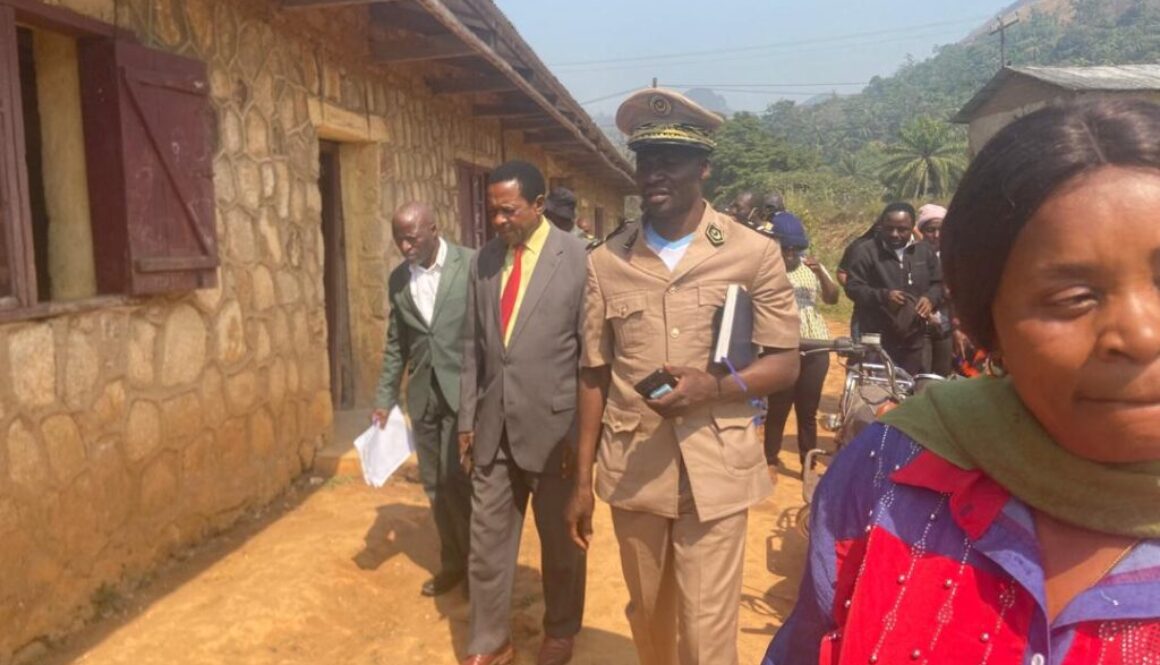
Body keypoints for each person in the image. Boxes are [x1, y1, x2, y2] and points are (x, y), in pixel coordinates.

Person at [763, 98, 1160, 664]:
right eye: (1073, 298)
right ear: (987, 322)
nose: (1142, 336)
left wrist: (924, 306)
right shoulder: (890, 470)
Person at [566, 88, 801, 665]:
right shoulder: (606, 261)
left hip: (715, 467)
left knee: (706, 636)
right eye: (646, 160)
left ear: (704, 167)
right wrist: (579, 480)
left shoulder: (751, 253)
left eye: (669, 160)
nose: (654, 174)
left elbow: (784, 362)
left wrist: (713, 389)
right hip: (635, 468)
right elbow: (594, 373)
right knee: (650, 618)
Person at [457, 161, 588, 665]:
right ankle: (490, 642)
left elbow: (589, 357)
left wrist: (580, 437)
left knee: (561, 544)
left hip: (555, 432)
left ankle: (560, 630)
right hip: (494, 428)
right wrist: (468, 418)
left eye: (508, 210)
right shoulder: (484, 261)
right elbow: (472, 345)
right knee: (486, 545)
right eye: (491, 211)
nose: (498, 220)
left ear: (538, 205)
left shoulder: (577, 259)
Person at [372, 201, 473, 598]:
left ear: (434, 229)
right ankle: (454, 564)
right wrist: (385, 397)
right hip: (424, 397)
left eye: (411, 237)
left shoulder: (471, 265)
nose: (404, 246)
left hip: (464, 394)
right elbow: (397, 344)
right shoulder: (398, 280)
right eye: (399, 238)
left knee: (464, 483)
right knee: (435, 484)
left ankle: (480, 574)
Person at [764, 213, 839, 482]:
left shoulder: (812, 267)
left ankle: (808, 461)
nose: (790, 255)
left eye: (795, 249)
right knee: (778, 407)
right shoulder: (766, 269)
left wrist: (821, 273)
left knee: (807, 410)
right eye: (785, 249)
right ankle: (770, 460)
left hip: (816, 345)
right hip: (783, 346)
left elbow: (832, 299)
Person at [842, 202, 942, 375]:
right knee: (874, 388)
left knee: (908, 389)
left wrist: (930, 299)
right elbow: (853, 287)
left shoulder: (924, 251)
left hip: (913, 337)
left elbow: (938, 283)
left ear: (912, 228)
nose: (895, 234)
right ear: (881, 226)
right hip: (875, 337)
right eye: (889, 229)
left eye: (902, 229)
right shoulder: (865, 251)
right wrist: (883, 296)